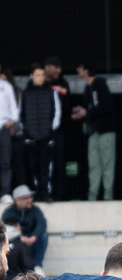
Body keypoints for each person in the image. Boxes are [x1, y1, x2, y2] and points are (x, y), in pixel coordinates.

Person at [72, 63, 116, 202]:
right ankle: (92, 197)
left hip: (106, 130)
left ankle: (108, 196)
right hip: (93, 132)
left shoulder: (100, 84)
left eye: (79, 67)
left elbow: (107, 106)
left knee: (107, 165)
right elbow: (90, 108)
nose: (77, 70)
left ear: (86, 70)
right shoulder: (87, 87)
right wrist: (80, 111)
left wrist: (87, 112)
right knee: (93, 165)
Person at [19, 63, 60, 200]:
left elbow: (56, 114)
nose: (40, 77)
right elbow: (21, 115)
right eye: (37, 75)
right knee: (33, 166)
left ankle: (45, 192)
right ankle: (36, 192)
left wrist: (50, 130)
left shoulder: (51, 92)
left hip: (46, 137)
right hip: (31, 137)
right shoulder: (24, 94)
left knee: (45, 166)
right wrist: (27, 131)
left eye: (42, 75)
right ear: (31, 76)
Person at [43, 57, 72, 203]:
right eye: (56, 67)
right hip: (41, 131)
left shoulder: (63, 83)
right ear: (47, 67)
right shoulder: (39, 82)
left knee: (59, 163)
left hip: (59, 131)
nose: (59, 70)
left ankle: (59, 196)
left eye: (60, 67)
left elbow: (67, 106)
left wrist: (58, 105)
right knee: (42, 163)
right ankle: (43, 193)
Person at [2, 185, 48, 272]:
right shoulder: (9, 212)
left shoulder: (35, 210)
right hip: (17, 242)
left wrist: (34, 236)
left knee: (44, 236)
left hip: (32, 240)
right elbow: (6, 229)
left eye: (30, 197)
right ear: (17, 201)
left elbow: (42, 224)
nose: (30, 200)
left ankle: (38, 266)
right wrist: (20, 237)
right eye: (26, 198)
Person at [0, 67, 17, 202]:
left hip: (3, 128)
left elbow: (13, 107)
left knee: (5, 161)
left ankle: (5, 193)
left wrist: (12, 121)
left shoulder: (6, 86)